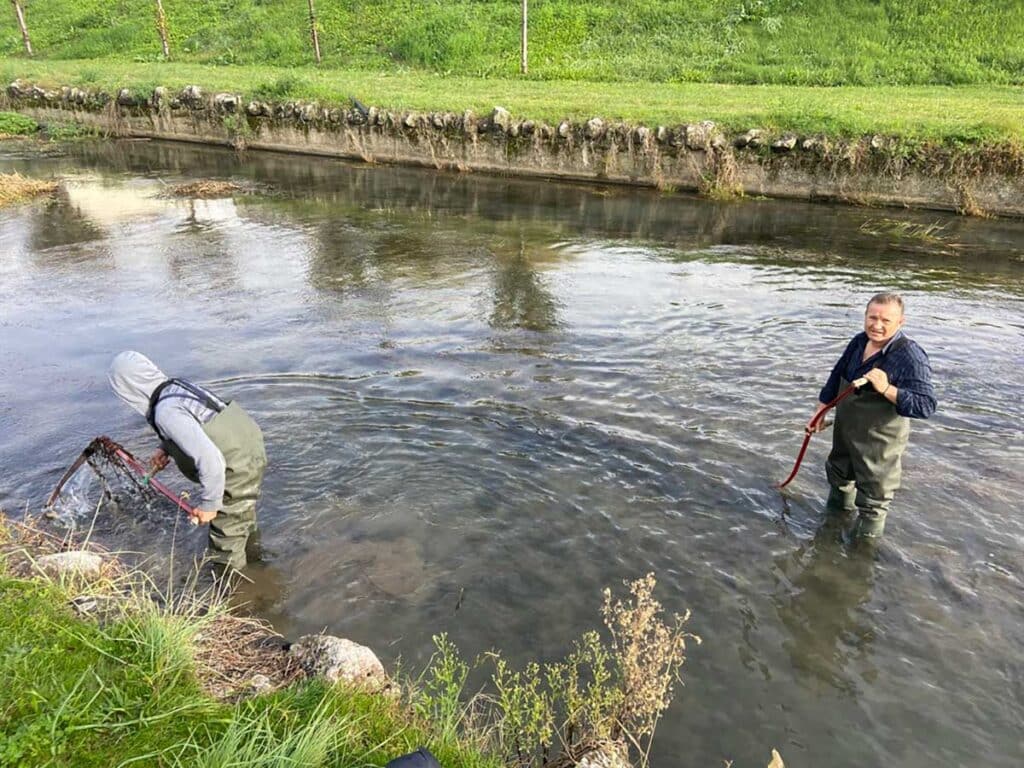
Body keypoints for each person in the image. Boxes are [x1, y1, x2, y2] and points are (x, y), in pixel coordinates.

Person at [108, 351, 267, 570]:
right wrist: (165, 447)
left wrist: (210, 505)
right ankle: (257, 564)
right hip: (249, 445)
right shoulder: (174, 388)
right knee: (241, 515)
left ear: (129, 390)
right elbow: (198, 424)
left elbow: (212, 459)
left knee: (226, 540)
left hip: (233, 463)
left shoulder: (165, 412)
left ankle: (238, 594)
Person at [807, 293, 936, 538]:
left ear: (900, 322)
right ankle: (830, 533)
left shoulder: (910, 356)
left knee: (873, 501)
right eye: (872, 317)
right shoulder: (858, 342)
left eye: (885, 320)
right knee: (839, 477)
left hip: (879, 441)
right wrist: (820, 410)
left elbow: (926, 406)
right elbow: (837, 375)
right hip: (846, 431)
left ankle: (862, 558)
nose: (877, 325)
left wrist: (887, 389)